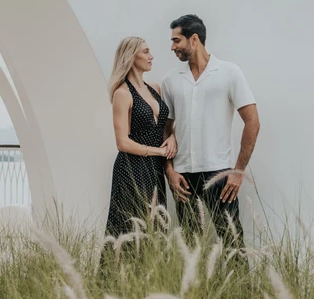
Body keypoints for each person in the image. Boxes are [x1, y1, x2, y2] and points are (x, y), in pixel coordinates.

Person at [161, 15, 260, 247]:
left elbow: (253, 122)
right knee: (190, 248)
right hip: (182, 177)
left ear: (194, 39)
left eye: (177, 40)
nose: (172, 47)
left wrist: (238, 172)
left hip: (220, 175)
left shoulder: (230, 73)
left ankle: (241, 285)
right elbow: (164, 131)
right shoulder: (170, 80)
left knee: (232, 244)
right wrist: (169, 172)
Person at [105, 37, 177, 236]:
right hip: (131, 169)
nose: (151, 56)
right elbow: (122, 142)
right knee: (130, 231)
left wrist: (172, 138)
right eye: (145, 51)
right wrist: (159, 151)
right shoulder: (122, 93)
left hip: (154, 169)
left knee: (155, 230)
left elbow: (166, 124)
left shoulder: (155, 88)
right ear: (130, 56)